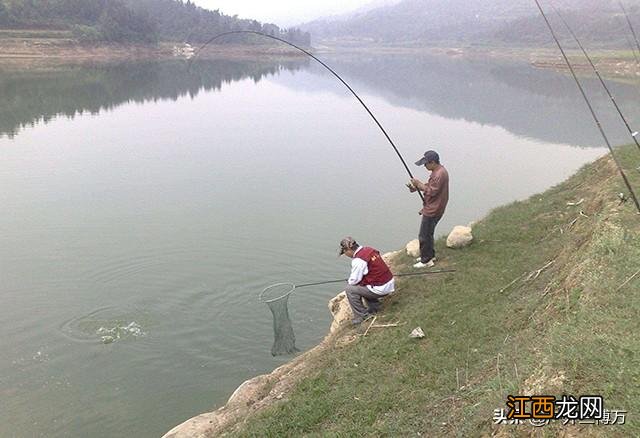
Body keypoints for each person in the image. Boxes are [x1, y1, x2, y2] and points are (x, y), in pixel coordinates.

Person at [407, 150, 449, 269]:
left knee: (424, 235)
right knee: (428, 233)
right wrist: (416, 188)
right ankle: (429, 255)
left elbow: (432, 191)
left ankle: (426, 261)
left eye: (426, 163)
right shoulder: (438, 172)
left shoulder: (439, 174)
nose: (425, 166)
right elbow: (431, 187)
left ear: (433, 162)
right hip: (433, 207)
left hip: (434, 209)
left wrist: (419, 184)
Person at [339, 237, 395, 325]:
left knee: (350, 289)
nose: (345, 254)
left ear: (348, 250)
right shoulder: (369, 250)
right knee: (363, 285)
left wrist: (349, 281)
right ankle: (375, 307)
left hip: (381, 288)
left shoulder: (358, 260)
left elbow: (354, 280)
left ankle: (362, 316)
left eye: (344, 252)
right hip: (388, 282)